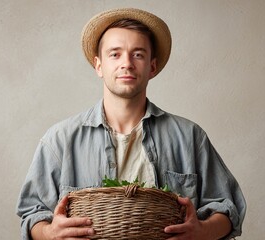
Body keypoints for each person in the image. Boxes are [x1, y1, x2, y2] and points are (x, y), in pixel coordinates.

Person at [16, 7, 246, 240]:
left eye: (138, 54)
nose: (126, 63)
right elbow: (32, 213)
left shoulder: (189, 137)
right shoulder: (59, 141)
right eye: (115, 54)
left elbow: (228, 207)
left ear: (152, 66)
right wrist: (49, 233)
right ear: (98, 65)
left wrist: (203, 232)